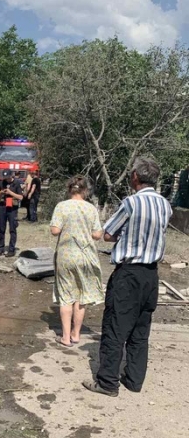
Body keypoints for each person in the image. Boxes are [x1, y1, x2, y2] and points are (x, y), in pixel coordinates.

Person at [83, 157, 172, 397]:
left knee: (115, 327)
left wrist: (122, 235)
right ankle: (133, 379)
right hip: (151, 274)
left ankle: (107, 382)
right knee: (140, 330)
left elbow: (108, 234)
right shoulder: (165, 204)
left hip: (129, 273)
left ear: (135, 176)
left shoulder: (131, 203)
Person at [50, 176, 104, 347]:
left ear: (69, 189)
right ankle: (76, 334)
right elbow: (97, 234)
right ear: (85, 190)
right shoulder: (91, 208)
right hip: (86, 256)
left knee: (66, 297)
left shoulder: (62, 206)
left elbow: (55, 230)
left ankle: (65, 337)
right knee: (81, 296)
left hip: (66, 256)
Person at [0, 174, 23, 256]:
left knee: (12, 229)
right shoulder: (0, 184)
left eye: (8, 177)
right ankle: (0, 248)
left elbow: (20, 197)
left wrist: (10, 192)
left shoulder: (17, 183)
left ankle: (11, 249)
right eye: (5, 178)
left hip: (12, 208)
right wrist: (1, 193)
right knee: (1, 228)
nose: (6, 179)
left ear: (11, 176)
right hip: (2, 207)